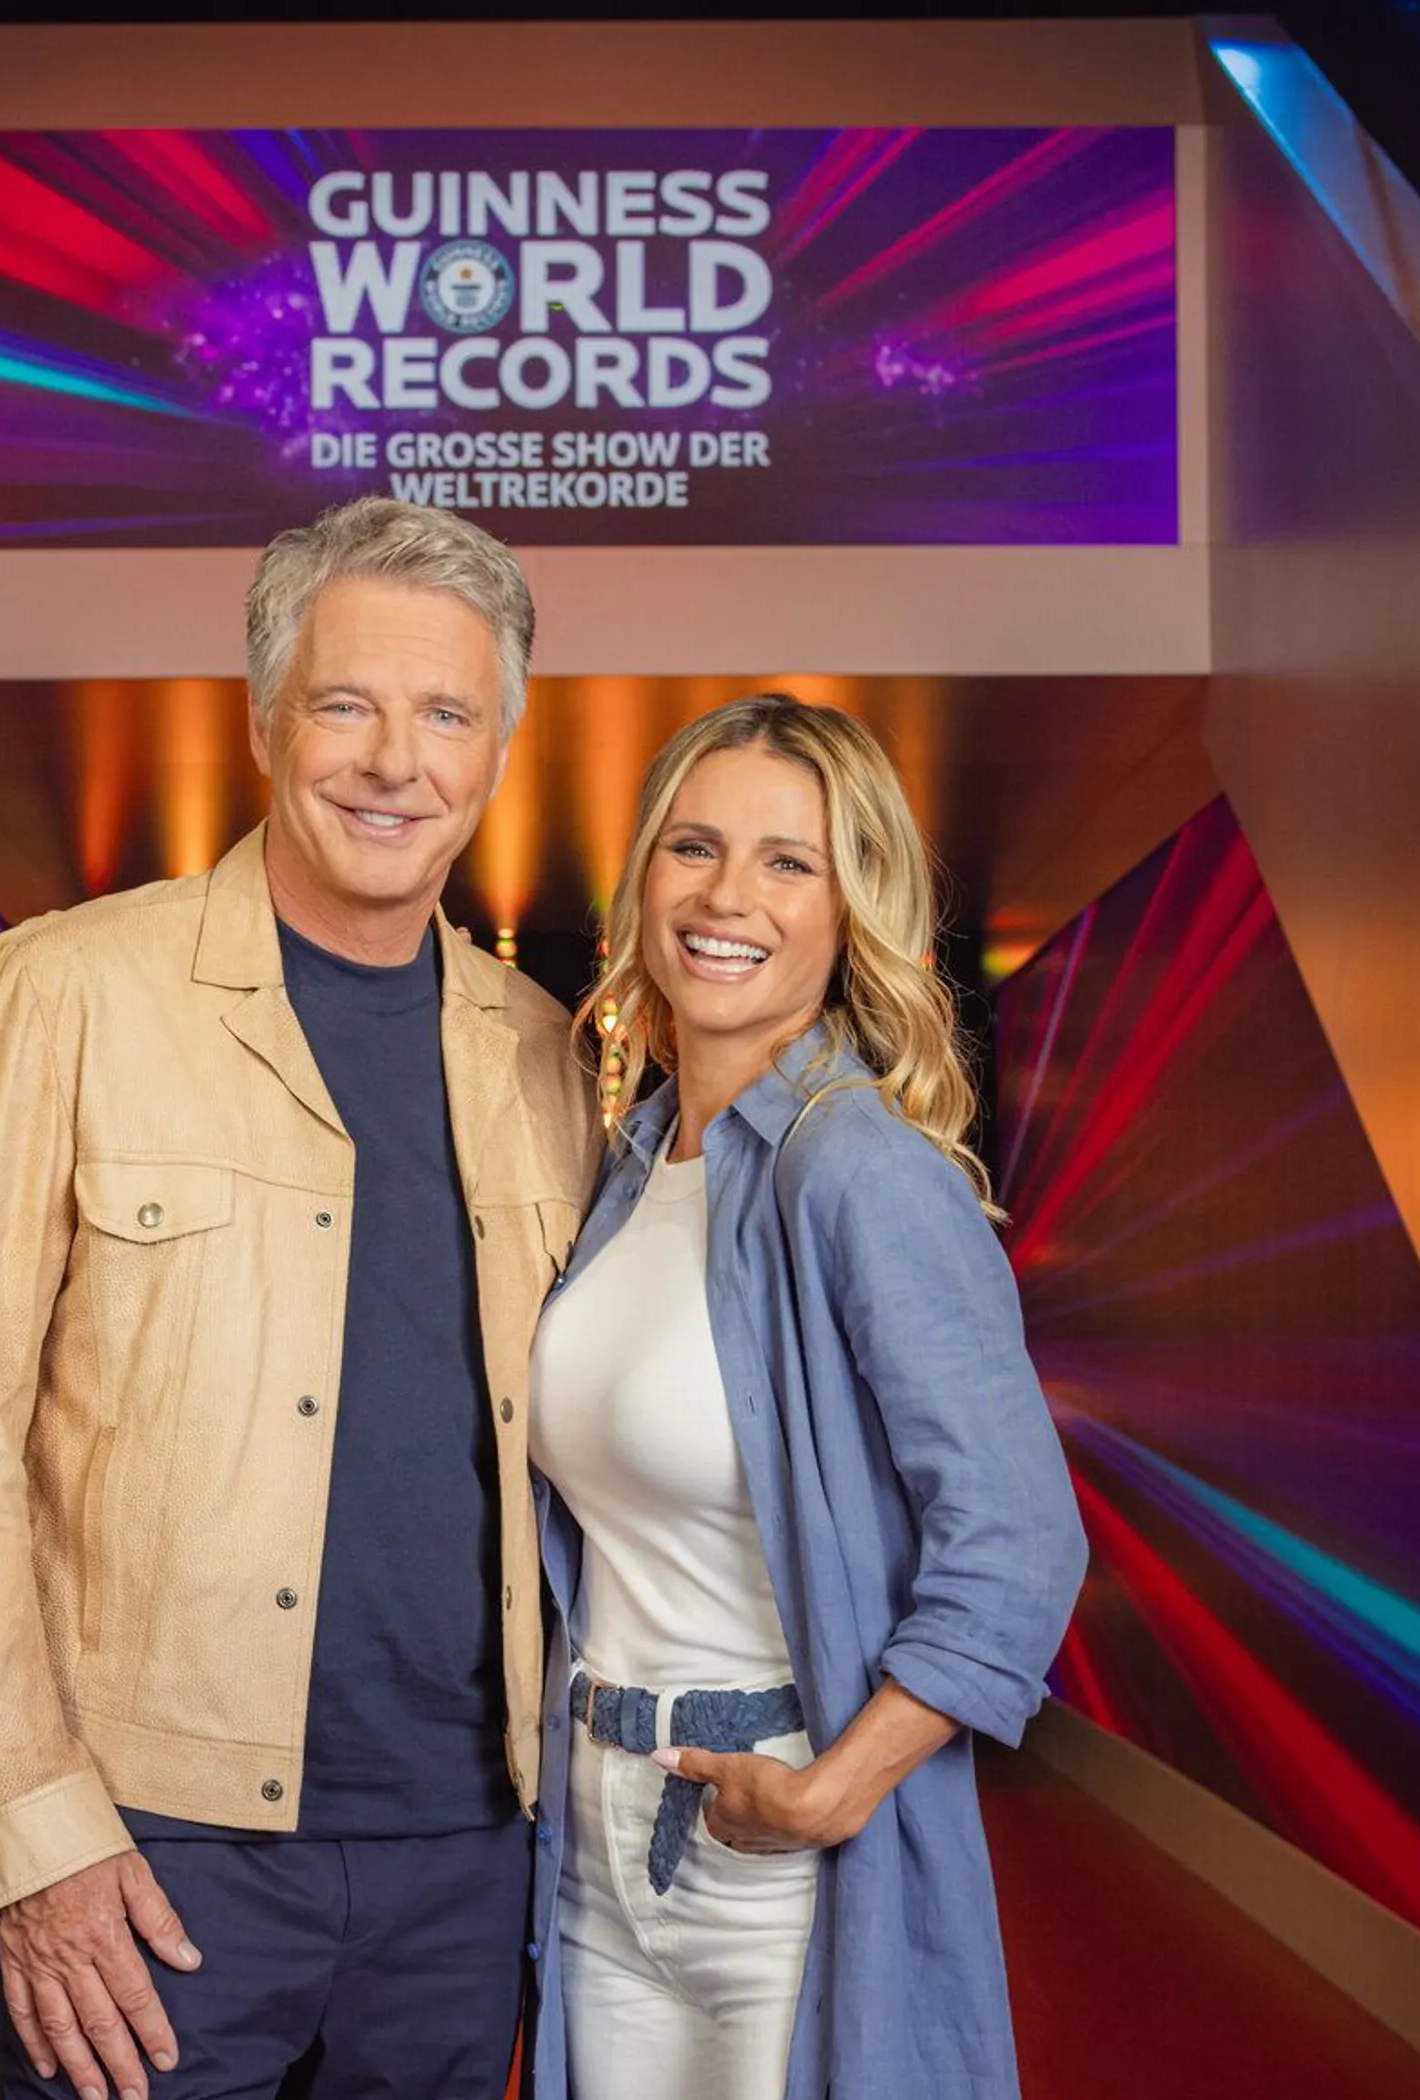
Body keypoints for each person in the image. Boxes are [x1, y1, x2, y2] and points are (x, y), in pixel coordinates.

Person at [0, 498, 598, 2100]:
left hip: (468, 1859)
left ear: (497, 752)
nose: (394, 761)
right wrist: (31, 1829)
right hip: (151, 1851)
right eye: (346, 704)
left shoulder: (548, 1056)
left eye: (447, 715)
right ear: (265, 722)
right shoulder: (62, 992)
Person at [526, 693, 1087, 2100]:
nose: (728, 897)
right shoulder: (631, 1167)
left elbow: (1021, 1540)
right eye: (694, 847)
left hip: (774, 1845)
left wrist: (832, 1791)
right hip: (593, 1832)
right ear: (643, 876)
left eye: (790, 862)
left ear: (852, 910)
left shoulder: (860, 1171)